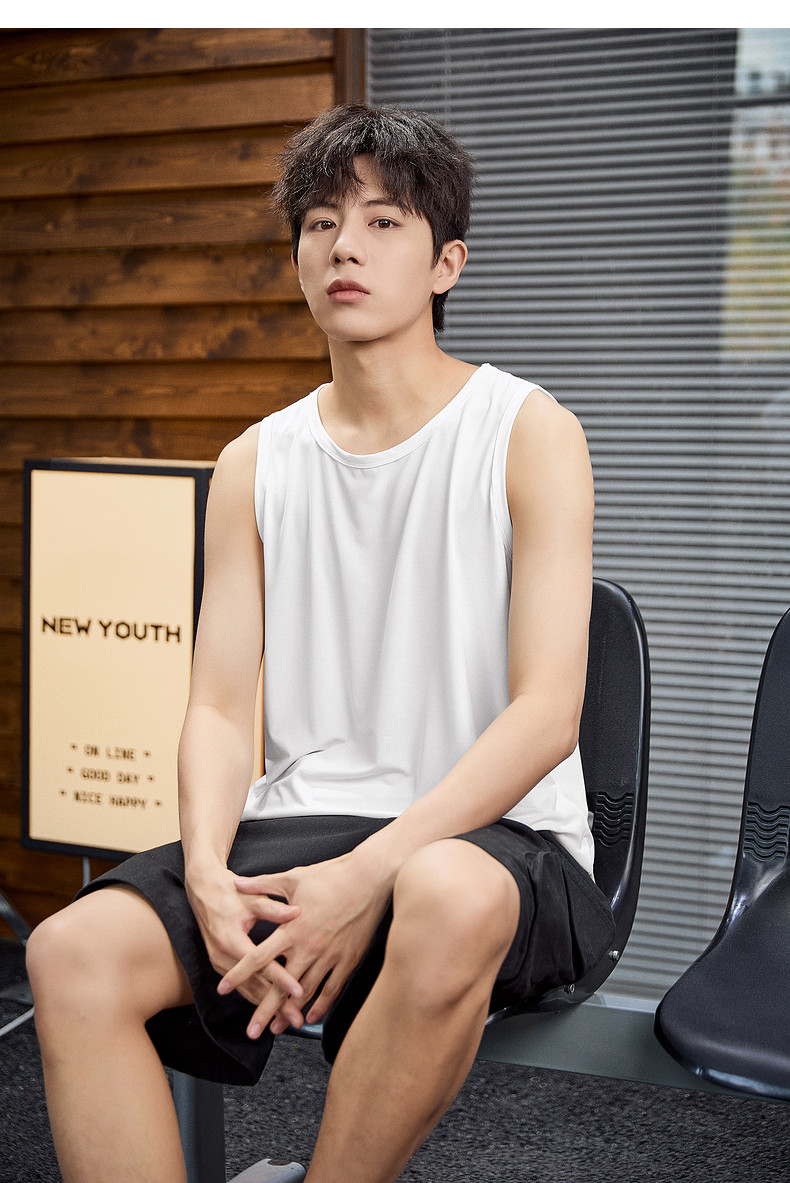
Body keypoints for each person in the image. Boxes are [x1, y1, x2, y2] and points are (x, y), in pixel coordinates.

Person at [26, 104, 615, 1183]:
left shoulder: (530, 431)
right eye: (322, 223)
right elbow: (217, 707)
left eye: (384, 222)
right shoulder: (256, 461)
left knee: (444, 889)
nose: (346, 246)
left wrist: (368, 874)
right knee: (69, 952)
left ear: (446, 265)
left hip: (497, 842)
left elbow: (547, 715)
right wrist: (208, 868)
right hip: (307, 821)